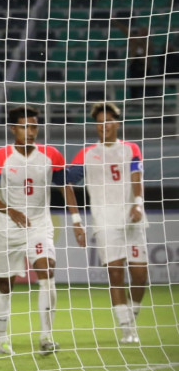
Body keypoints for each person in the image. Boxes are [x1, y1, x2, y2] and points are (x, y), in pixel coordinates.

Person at [0, 105, 71, 355]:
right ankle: (2, 339)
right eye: (24, 126)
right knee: (5, 284)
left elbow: (65, 185)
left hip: (38, 225)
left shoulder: (51, 154)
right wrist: (10, 211)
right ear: (13, 129)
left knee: (47, 270)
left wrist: (76, 220)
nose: (30, 131)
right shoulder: (0, 155)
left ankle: (46, 337)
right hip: (7, 229)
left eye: (33, 126)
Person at [67, 102, 148, 344]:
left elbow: (137, 178)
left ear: (117, 123)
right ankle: (126, 330)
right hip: (104, 221)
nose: (104, 126)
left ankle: (130, 318)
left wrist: (139, 204)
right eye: (100, 122)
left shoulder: (131, 149)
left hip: (131, 219)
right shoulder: (87, 153)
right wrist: (76, 220)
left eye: (109, 121)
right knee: (115, 274)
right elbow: (66, 182)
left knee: (140, 275)